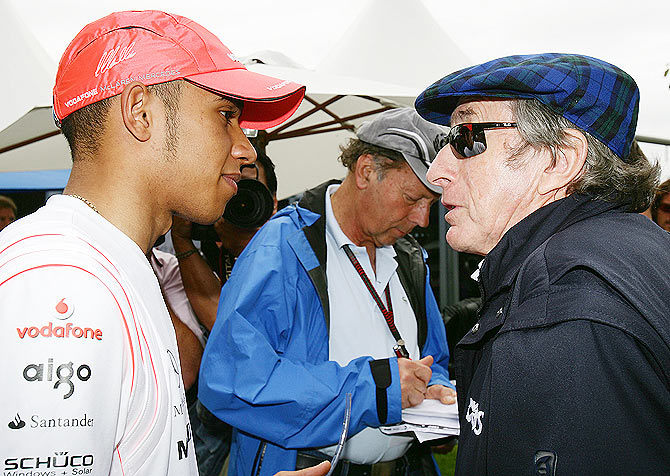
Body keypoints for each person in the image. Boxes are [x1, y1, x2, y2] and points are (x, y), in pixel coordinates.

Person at [0, 10, 332, 476]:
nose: (246, 148)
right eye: (225, 116)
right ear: (140, 113)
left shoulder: (112, 262)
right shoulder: (62, 282)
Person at [416, 53, 670, 475]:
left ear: (559, 160)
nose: (438, 171)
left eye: (465, 138)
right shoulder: (635, 251)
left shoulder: (563, 305)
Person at [199, 107, 456, 476]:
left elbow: (433, 360)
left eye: (431, 204)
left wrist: (435, 394)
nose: (422, 219)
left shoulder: (410, 257)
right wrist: (374, 387)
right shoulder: (281, 248)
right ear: (366, 170)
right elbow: (231, 379)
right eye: (413, 198)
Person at [171, 151, 279, 476]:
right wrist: (182, 239)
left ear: (273, 202)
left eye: (249, 189)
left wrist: (243, 247)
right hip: (214, 412)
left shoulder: (289, 248)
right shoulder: (207, 244)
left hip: (268, 412)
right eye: (232, 185)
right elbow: (219, 319)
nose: (240, 199)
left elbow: (229, 322)